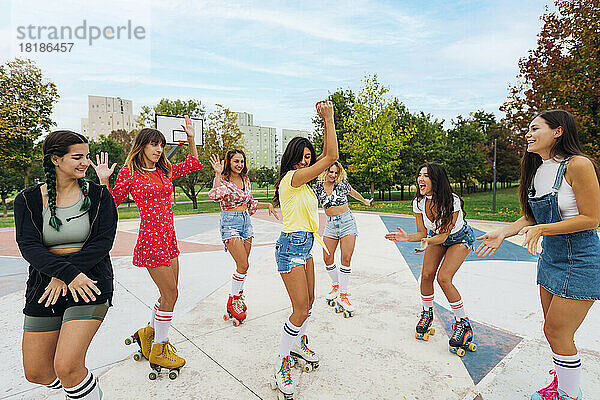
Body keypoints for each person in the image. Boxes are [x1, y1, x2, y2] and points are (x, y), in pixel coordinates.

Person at [476, 110, 600, 400]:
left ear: (558, 131)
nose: (528, 134)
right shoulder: (537, 168)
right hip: (551, 260)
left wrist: (543, 229)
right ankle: (563, 382)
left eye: (535, 128)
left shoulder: (578, 165)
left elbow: (593, 218)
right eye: (527, 130)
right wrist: (504, 233)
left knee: (557, 331)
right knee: (552, 330)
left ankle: (569, 394)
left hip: (580, 260)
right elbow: (531, 216)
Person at [91, 116, 203, 376]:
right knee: (171, 295)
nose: (158, 150)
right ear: (141, 146)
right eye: (153, 145)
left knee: (169, 295)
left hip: (169, 239)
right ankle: (160, 348)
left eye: (161, 145)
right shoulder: (130, 173)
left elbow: (194, 162)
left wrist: (191, 139)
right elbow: (110, 204)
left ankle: (148, 333)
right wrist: (103, 180)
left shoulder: (164, 170)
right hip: (151, 241)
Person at [15, 130, 117, 400]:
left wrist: (69, 275)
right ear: (56, 160)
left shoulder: (99, 196)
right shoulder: (27, 199)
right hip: (45, 286)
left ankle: (80, 387)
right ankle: (84, 389)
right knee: (37, 373)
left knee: (68, 367)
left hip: (89, 283)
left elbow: (102, 243)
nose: (86, 162)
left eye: (86, 156)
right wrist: (64, 274)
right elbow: (29, 246)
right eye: (78, 157)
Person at [270, 100, 338, 398]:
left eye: (308, 158)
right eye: (301, 157)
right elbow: (332, 156)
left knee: (308, 303)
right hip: (289, 249)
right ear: (292, 160)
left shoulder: (307, 185)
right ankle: (281, 362)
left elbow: (327, 157)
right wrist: (329, 119)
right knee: (299, 308)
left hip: (305, 248)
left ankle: (298, 343)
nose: (305, 162)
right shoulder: (293, 179)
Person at [385, 163, 477, 354]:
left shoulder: (452, 201)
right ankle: (427, 313)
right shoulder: (418, 202)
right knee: (426, 275)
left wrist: (428, 240)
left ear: (436, 179)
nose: (420, 179)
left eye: (425, 175)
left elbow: (443, 236)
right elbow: (421, 232)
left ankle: (463, 323)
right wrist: (408, 238)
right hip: (435, 237)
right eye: (419, 175)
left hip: (459, 238)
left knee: (444, 278)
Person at [208, 149, 278, 325]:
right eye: (235, 161)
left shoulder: (245, 179)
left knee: (244, 266)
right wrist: (217, 173)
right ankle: (233, 301)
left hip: (246, 223)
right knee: (243, 264)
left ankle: (238, 297)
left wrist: (266, 204)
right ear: (229, 162)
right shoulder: (223, 180)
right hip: (230, 223)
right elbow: (215, 195)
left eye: (241, 161)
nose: (239, 165)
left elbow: (249, 202)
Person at [312, 161, 372, 317]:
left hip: (347, 222)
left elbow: (352, 192)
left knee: (346, 258)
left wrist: (364, 200)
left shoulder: (342, 184)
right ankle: (336, 284)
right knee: (327, 257)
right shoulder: (317, 187)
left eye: (336, 172)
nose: (333, 175)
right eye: (330, 172)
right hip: (331, 224)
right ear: (324, 172)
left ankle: (344, 294)